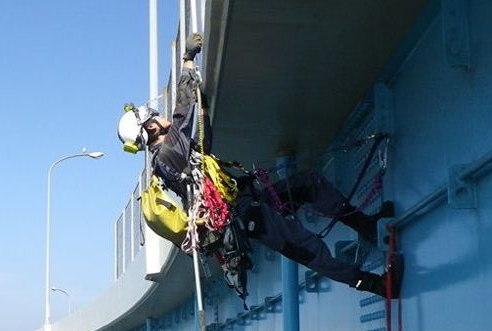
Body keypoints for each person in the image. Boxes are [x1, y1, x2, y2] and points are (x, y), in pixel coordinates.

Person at [118, 33, 403, 298]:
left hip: (245, 203)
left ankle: (366, 225)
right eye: (155, 116)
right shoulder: (168, 153)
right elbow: (182, 112)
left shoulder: (167, 157)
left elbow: (201, 140)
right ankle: (378, 285)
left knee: (307, 185)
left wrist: (201, 103)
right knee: (308, 248)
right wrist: (188, 63)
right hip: (244, 215)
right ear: (152, 127)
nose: (161, 116)